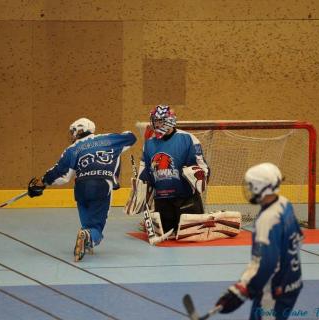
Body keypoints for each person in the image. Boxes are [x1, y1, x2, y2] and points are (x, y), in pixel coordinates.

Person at [28, 117, 136, 262]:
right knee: (96, 227)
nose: (72, 135)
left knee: (87, 223)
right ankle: (89, 237)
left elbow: (61, 173)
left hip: (81, 187)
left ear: (79, 130)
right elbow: (131, 137)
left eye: (73, 131)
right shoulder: (109, 139)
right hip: (102, 185)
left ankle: (86, 240)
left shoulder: (72, 149)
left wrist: (42, 183)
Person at [215, 162, 303, 320]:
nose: (248, 189)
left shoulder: (267, 220)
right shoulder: (284, 203)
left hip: (274, 289)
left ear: (259, 188)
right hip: (293, 281)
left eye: (250, 186)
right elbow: (299, 236)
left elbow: (266, 263)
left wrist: (246, 290)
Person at [138, 105, 210, 238]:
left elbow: (203, 167)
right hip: (162, 202)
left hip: (186, 200)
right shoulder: (149, 144)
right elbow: (145, 172)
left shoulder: (188, 139)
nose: (156, 124)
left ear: (170, 120)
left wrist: (198, 175)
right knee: (167, 238)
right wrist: (141, 190)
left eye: (160, 121)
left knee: (191, 240)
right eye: (155, 121)